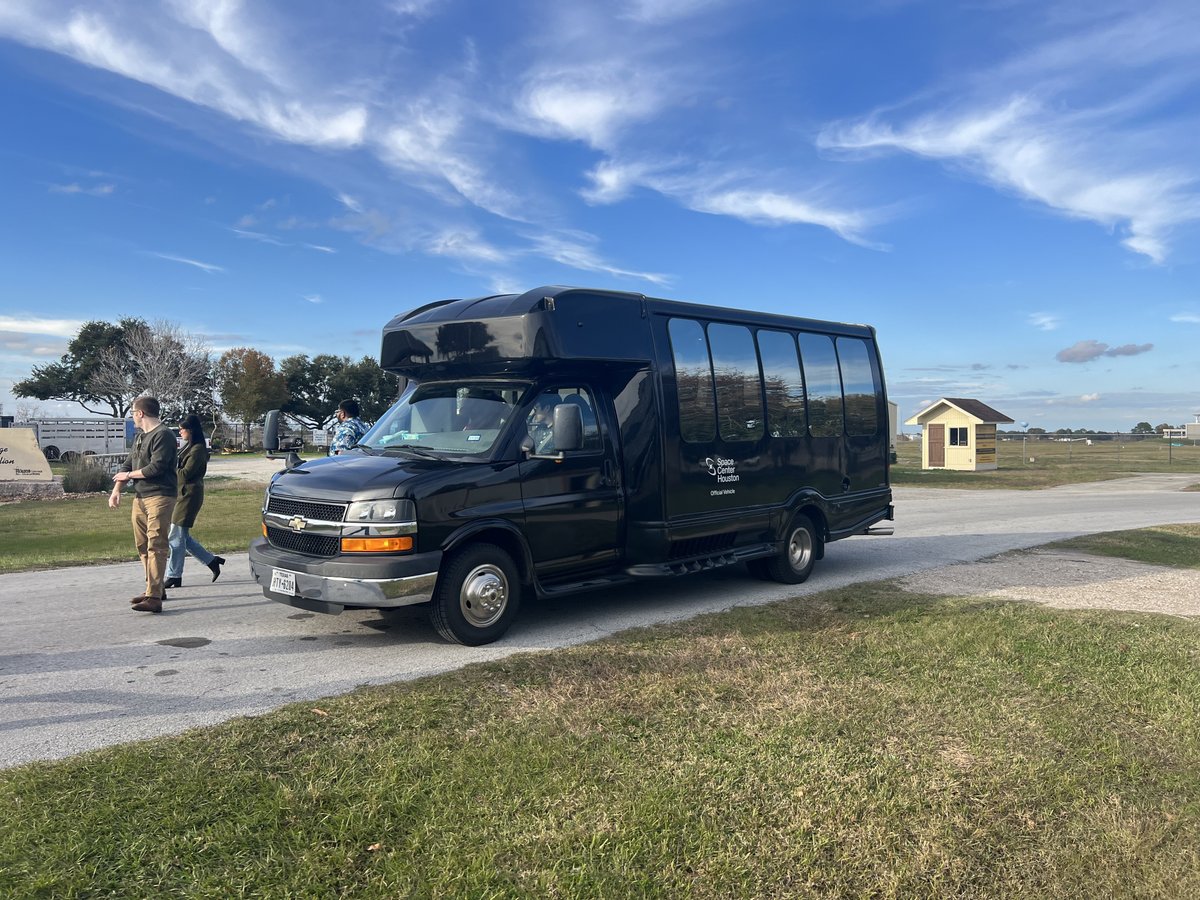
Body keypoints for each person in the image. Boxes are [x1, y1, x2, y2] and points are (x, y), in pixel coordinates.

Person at [109, 396, 177, 613]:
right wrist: (116, 491)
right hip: (140, 497)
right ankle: (153, 588)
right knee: (142, 545)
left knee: (156, 544)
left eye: (133, 413)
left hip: (160, 496)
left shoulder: (163, 435)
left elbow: (155, 468)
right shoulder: (140, 437)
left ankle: (154, 598)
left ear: (140, 413)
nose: (132, 417)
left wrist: (128, 474)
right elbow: (127, 465)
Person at [164, 414, 226, 589]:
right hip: (183, 495)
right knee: (183, 537)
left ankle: (174, 575)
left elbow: (184, 474)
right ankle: (212, 561)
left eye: (182, 429)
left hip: (189, 496)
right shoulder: (189, 447)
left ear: (190, 430)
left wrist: (170, 468)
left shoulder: (198, 449)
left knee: (175, 537)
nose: (180, 432)